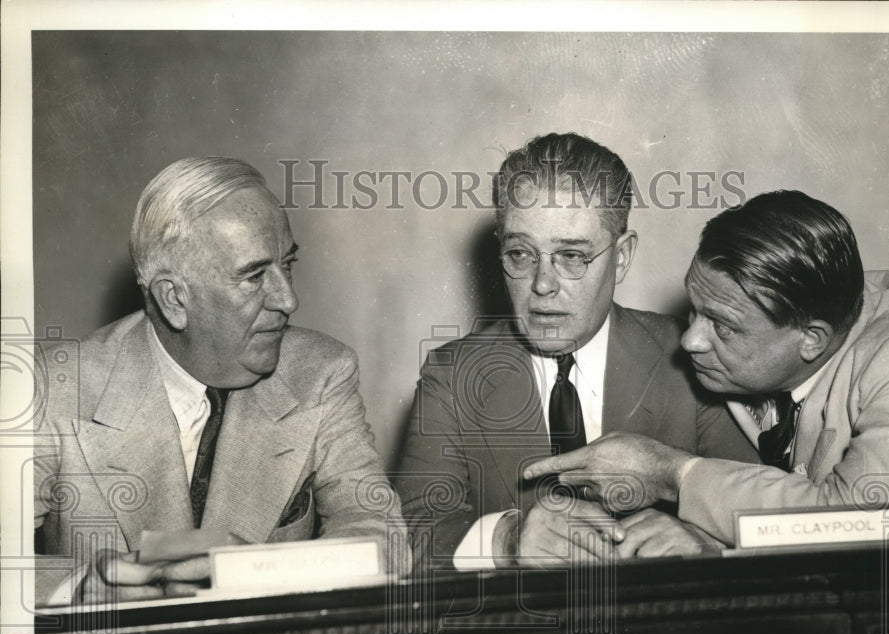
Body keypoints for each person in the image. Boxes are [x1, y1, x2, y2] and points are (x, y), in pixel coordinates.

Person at [34, 156, 409, 605]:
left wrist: (254, 570)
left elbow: (382, 540)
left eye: (286, 265)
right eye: (253, 277)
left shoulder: (322, 372)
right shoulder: (54, 387)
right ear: (173, 299)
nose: (289, 299)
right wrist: (78, 587)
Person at [524, 190, 889, 551]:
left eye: (722, 326)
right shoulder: (786, 317)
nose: (690, 341)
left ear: (812, 340)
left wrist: (674, 475)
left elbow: (861, 523)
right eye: (695, 310)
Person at [394, 133, 760, 572]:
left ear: (621, 257)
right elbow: (407, 532)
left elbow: (763, 512)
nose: (543, 285)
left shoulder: (693, 357)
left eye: (571, 256)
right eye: (520, 254)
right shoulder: (453, 375)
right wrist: (506, 539)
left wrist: (706, 540)